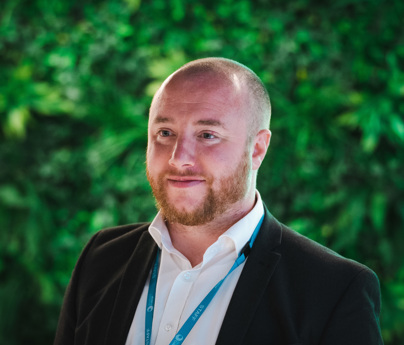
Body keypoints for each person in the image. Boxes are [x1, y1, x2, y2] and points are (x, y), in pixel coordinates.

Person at [54, 57, 383, 345]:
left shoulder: (335, 290)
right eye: (165, 133)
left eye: (207, 135)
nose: (178, 159)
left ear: (257, 148)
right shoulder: (101, 257)